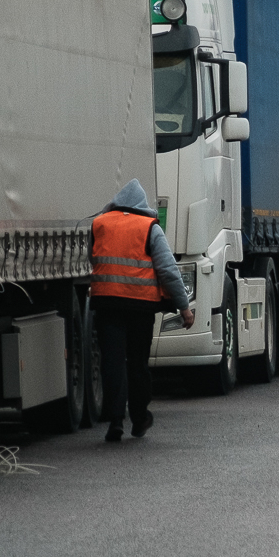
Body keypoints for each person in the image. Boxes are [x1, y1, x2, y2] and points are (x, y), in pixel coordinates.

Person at [90, 178, 193, 441]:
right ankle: (139, 418)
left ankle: (115, 420)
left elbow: (92, 259)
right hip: (140, 307)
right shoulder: (149, 227)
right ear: (142, 204)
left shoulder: (100, 224)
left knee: (112, 362)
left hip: (107, 304)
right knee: (137, 364)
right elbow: (168, 270)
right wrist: (184, 307)